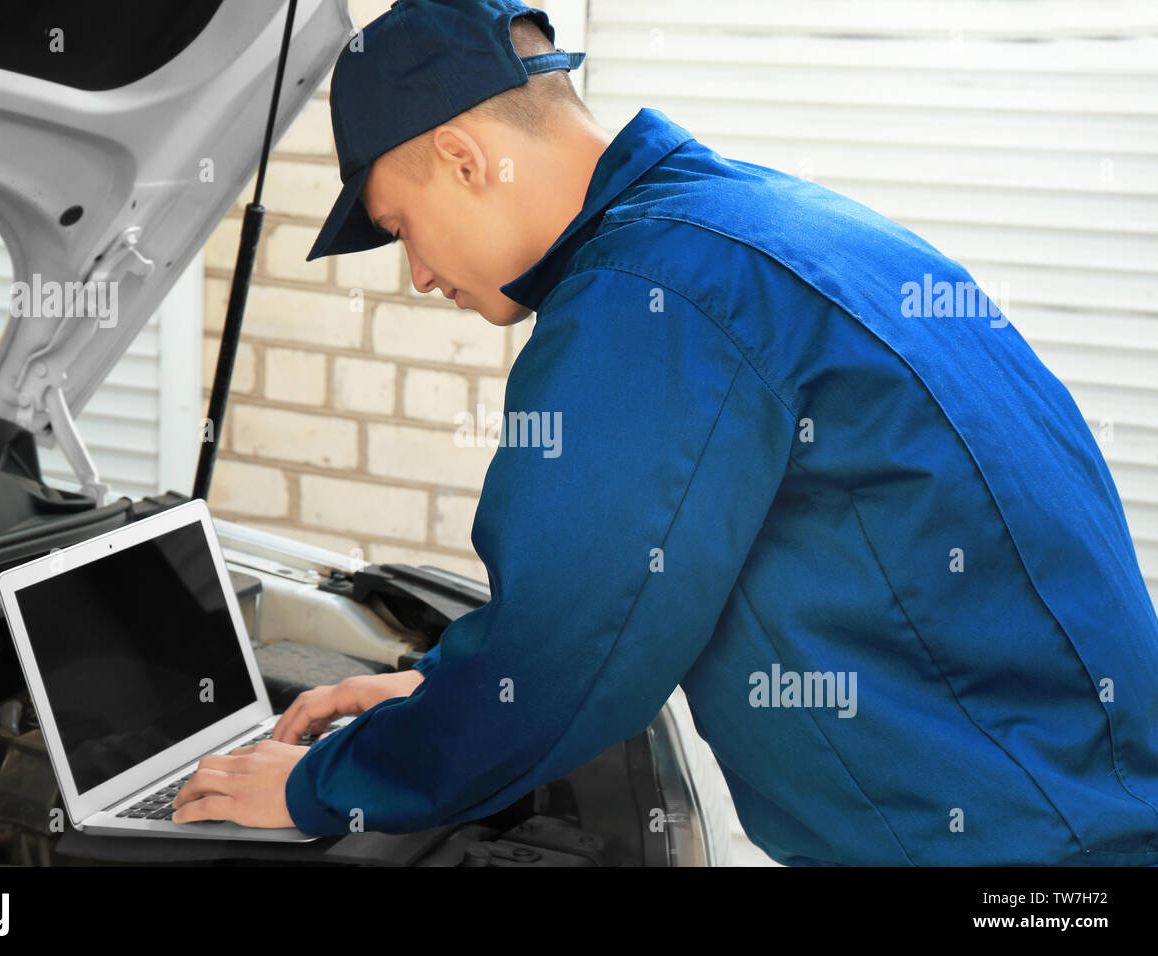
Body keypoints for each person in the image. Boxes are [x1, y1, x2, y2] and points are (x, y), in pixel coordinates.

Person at [172, 0, 1158, 866]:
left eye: (399, 227)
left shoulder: (650, 298)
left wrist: (317, 787)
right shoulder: (746, 223)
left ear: (464, 160)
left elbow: (565, 652)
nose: (420, 276)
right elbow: (621, 604)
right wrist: (434, 696)